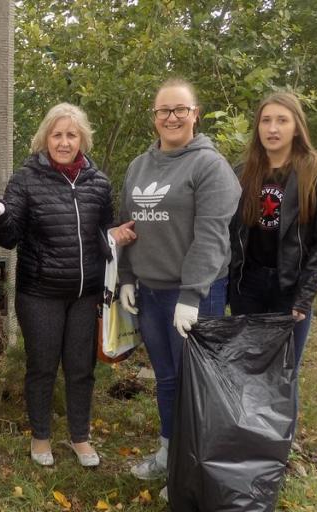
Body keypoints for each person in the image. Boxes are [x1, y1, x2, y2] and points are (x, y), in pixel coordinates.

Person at [110, 78, 241, 499]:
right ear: (154, 117)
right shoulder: (138, 166)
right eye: (163, 110)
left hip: (194, 295)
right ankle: (170, 451)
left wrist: (192, 295)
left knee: (195, 384)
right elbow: (128, 226)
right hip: (149, 292)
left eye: (180, 110)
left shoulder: (209, 166)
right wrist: (128, 277)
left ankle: (193, 467)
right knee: (166, 378)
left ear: (195, 114)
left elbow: (211, 237)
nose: (171, 117)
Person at [0, 103, 114, 468]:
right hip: (40, 293)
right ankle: (40, 436)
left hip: (86, 294)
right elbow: (9, 238)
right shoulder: (26, 178)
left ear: (82, 138)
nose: (64, 142)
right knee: (42, 366)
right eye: (57, 134)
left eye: (71, 134)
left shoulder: (99, 183)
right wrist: (0, 215)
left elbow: (107, 235)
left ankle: (80, 436)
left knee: (81, 368)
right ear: (45, 138)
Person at [228, 91, 317, 367]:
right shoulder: (243, 171)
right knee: (247, 364)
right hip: (248, 285)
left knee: (283, 370)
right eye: (265, 120)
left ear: (297, 126)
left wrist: (304, 297)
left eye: (282, 120)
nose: (273, 128)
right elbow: (229, 232)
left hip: (290, 286)